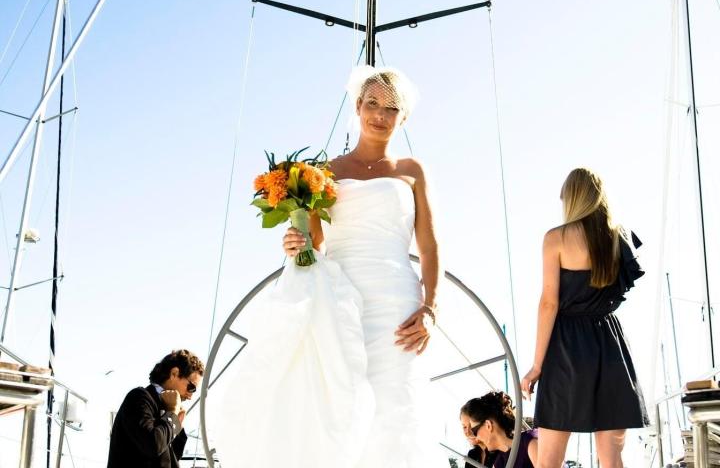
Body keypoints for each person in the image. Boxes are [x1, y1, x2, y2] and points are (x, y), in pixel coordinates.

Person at [212, 66, 445, 467]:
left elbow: (428, 245)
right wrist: (294, 239)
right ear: (357, 106)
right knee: (336, 401)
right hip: (338, 298)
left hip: (397, 304)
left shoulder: (413, 172)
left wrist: (432, 307)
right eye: (372, 103)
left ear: (403, 117)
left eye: (391, 108)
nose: (380, 114)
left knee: (395, 405)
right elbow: (315, 243)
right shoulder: (325, 173)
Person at [521, 167, 648, 468]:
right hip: (609, 343)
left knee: (549, 460)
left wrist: (537, 366)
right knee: (612, 458)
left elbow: (548, 304)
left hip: (567, 345)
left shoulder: (556, 238)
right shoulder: (621, 238)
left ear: (572, 199)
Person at [107, 349, 204, 468]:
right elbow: (152, 445)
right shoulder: (138, 398)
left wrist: (178, 422)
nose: (190, 396)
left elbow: (172, 458)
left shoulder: (162, 407)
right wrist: (172, 413)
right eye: (191, 387)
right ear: (174, 373)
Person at [461, 392, 537, 467]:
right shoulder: (499, 462)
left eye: (474, 431)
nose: (476, 437)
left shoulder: (530, 443)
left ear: (488, 425)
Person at [460, 403, 497, 468]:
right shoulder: (472, 455)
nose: (468, 433)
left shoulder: (500, 452)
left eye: (471, 426)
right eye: (464, 427)